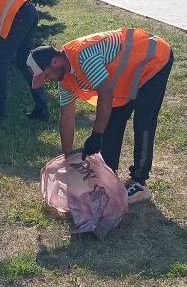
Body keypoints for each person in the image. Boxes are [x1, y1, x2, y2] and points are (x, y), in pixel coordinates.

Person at [27, 28, 173, 203]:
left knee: (143, 122)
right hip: (128, 74)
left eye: (46, 75)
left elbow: (105, 93)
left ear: (55, 62)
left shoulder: (83, 56)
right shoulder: (64, 79)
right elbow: (66, 118)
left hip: (153, 58)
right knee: (112, 120)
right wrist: (69, 161)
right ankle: (109, 176)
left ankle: (140, 183)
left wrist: (97, 135)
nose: (46, 80)